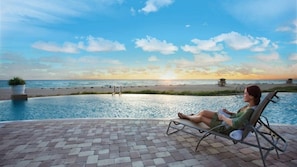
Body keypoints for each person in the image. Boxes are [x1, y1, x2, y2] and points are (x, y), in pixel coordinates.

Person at [177, 85, 262, 134]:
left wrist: (223, 118)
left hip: (225, 127)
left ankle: (187, 117)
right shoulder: (249, 107)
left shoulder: (250, 110)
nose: (243, 95)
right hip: (226, 122)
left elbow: (236, 124)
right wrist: (229, 113)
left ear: (251, 96)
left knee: (201, 118)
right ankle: (192, 116)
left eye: (245, 93)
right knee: (204, 112)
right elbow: (238, 117)